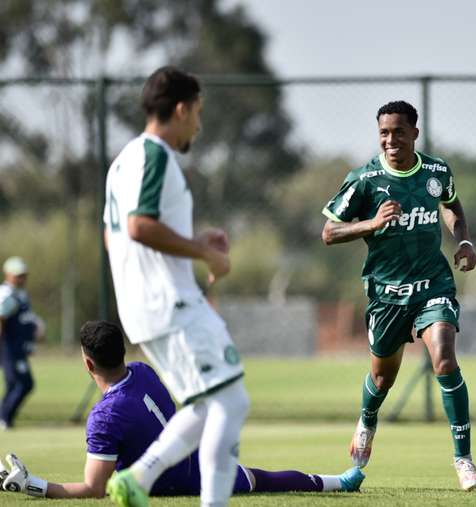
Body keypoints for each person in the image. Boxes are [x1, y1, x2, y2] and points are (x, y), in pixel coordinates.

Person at [102, 66, 249, 507]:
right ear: (181, 109)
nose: (199, 125)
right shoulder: (156, 155)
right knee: (232, 402)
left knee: (207, 405)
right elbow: (139, 227)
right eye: (198, 113)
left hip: (148, 306)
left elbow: (121, 236)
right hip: (169, 304)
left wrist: (196, 243)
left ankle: (137, 479)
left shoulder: (122, 161)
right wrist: (202, 254)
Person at [0, 320, 364, 499]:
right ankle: (339, 481)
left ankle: (338, 482)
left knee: (261, 480)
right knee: (264, 478)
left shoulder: (104, 416)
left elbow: (95, 489)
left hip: (172, 481)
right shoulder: (143, 371)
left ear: (88, 365)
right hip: (197, 460)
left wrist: (33, 485)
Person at [320, 100, 476, 491]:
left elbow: (451, 203)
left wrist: (462, 240)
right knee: (381, 377)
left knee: (444, 358)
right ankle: (367, 420)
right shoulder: (364, 180)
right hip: (386, 294)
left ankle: (463, 458)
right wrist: (373, 223)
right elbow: (329, 232)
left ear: (414, 133)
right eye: (383, 133)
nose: (390, 140)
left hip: (433, 285)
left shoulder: (436, 170)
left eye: (397, 132)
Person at [0, 256, 44, 430]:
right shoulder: (6, 294)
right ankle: (4, 418)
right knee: (21, 383)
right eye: (18, 275)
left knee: (16, 384)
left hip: (18, 348)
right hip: (8, 348)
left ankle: (4, 418)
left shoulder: (21, 294)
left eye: (24, 275)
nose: (22, 279)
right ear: (8, 274)